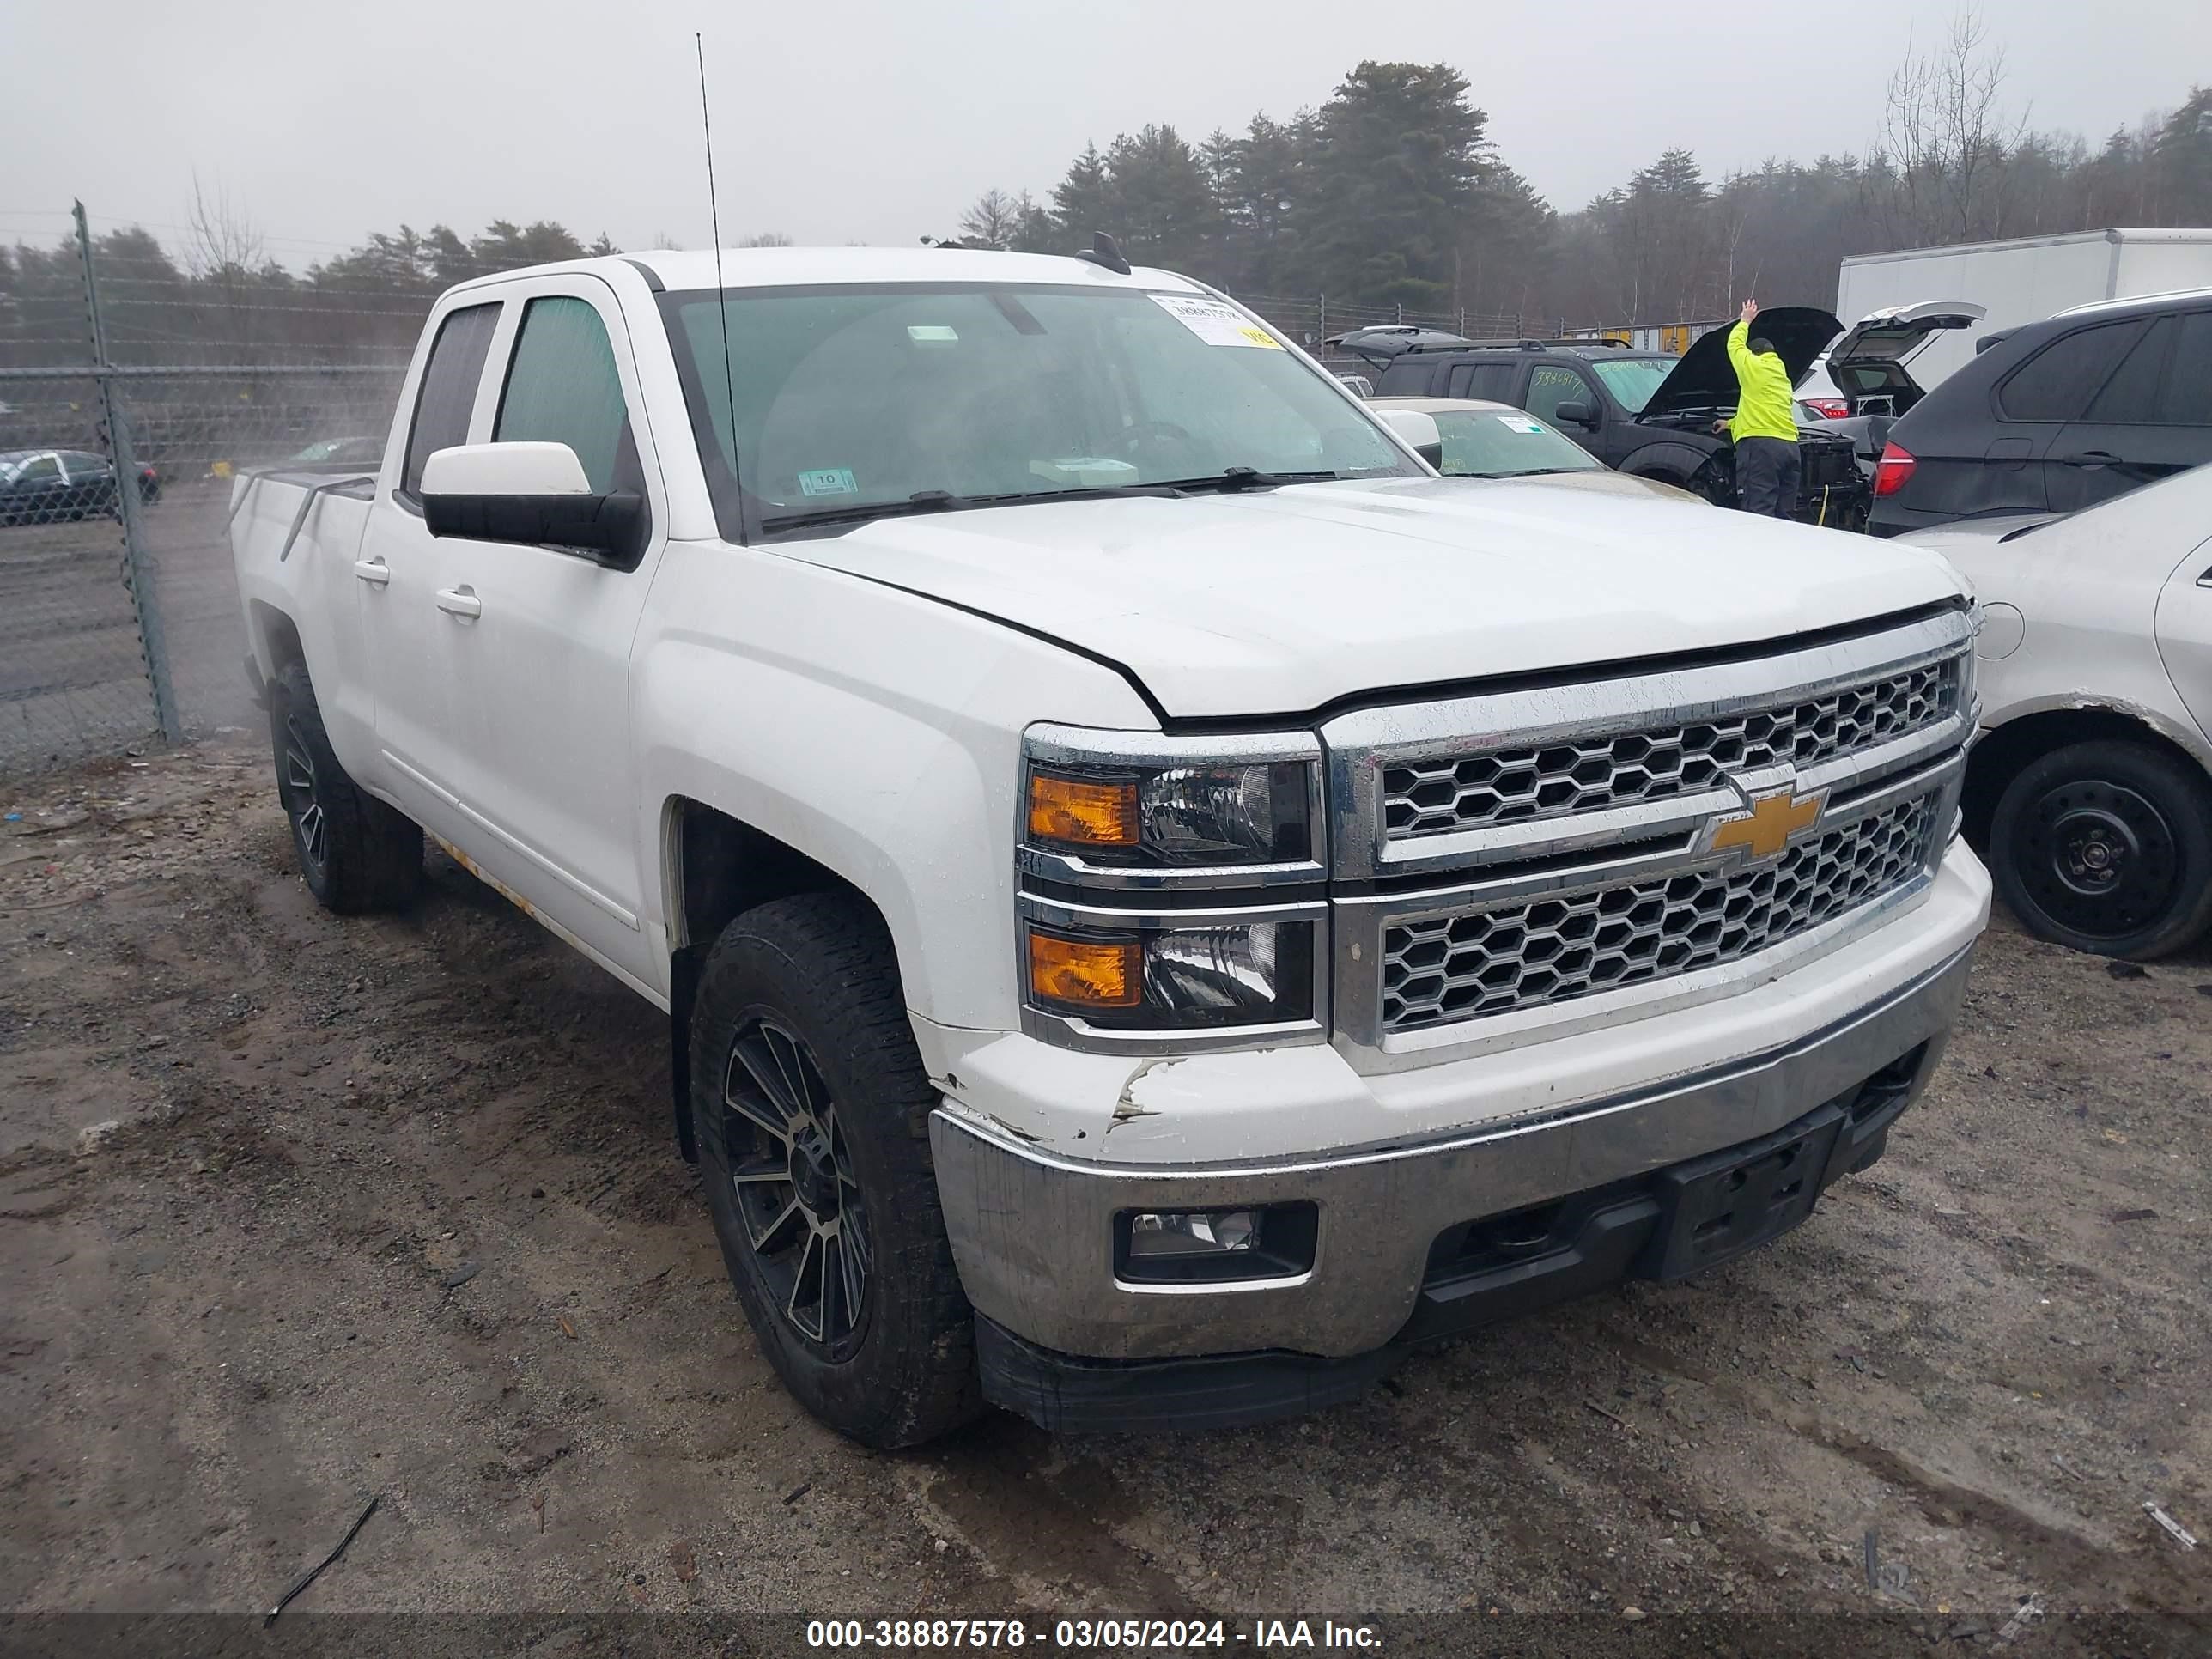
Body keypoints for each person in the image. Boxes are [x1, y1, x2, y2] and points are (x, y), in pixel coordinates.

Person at [1724, 299, 1799, 518]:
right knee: (1785, 514)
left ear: (1754, 353)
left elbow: (1734, 346)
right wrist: (1730, 424)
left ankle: (1756, 551)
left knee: (1757, 512)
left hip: (1761, 448)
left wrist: (1745, 320)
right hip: (1790, 448)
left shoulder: (1753, 366)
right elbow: (1763, 410)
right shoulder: (1782, 378)